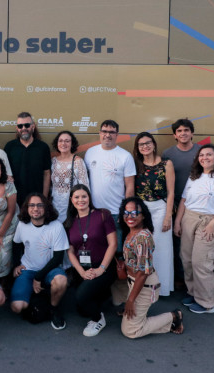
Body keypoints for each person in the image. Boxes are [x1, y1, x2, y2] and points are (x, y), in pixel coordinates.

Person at [174, 144, 214, 314]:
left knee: (202, 262)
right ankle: (194, 293)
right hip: (189, 218)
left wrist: (212, 224)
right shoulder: (195, 176)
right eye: (201, 155)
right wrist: (178, 221)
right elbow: (183, 200)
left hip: (210, 221)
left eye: (209, 154)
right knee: (186, 259)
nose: (205, 158)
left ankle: (207, 302)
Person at [84, 119, 135, 310]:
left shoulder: (125, 156)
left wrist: (126, 214)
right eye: (104, 131)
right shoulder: (91, 153)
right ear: (99, 133)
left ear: (117, 134)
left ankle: (121, 298)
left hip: (116, 214)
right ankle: (99, 293)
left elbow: (129, 187)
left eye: (112, 132)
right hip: (94, 215)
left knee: (119, 256)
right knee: (97, 255)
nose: (108, 135)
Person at [118, 197, 184, 338]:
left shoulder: (142, 238)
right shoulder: (131, 231)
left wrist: (130, 301)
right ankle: (138, 316)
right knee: (130, 321)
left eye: (135, 213)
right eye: (127, 213)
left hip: (143, 285)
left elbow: (143, 274)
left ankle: (173, 317)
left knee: (130, 332)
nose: (130, 217)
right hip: (133, 282)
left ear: (143, 215)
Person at [65, 185, 118, 337]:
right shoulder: (69, 222)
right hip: (83, 269)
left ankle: (98, 319)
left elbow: (113, 244)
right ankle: (103, 297)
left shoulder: (102, 214)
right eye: (76, 197)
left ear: (89, 198)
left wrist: (101, 269)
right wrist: (82, 272)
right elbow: (70, 251)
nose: (80, 200)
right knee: (81, 309)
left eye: (84, 196)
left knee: (81, 297)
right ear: (71, 200)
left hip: (104, 266)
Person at [11, 193, 69, 330]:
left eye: (39, 205)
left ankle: (53, 308)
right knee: (17, 308)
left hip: (50, 270)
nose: (35, 209)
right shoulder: (22, 225)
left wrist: (38, 277)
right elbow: (16, 244)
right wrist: (16, 265)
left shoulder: (56, 226)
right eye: (31, 205)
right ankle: (36, 299)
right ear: (27, 208)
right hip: (28, 269)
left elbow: (58, 258)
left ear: (46, 207)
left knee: (61, 281)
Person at [132, 132, 175, 296]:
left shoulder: (166, 164)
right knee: (143, 248)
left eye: (148, 143)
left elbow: (171, 192)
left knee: (161, 249)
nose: (145, 146)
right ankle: (144, 287)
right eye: (141, 144)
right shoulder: (136, 164)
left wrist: (168, 216)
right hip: (142, 210)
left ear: (154, 144)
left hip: (161, 209)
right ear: (138, 148)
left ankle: (162, 288)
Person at [163, 118, 201, 289]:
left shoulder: (203, 152)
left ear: (192, 133)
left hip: (198, 205)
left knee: (195, 244)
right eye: (179, 131)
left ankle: (195, 280)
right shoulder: (167, 154)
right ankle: (180, 278)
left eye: (186, 130)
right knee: (177, 242)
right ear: (174, 135)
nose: (183, 133)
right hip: (176, 203)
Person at [4, 112, 51, 205]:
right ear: (17, 128)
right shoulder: (9, 147)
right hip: (15, 199)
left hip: (37, 200)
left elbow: (47, 174)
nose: (24, 128)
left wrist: (44, 198)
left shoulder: (43, 147)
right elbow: (5, 173)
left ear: (33, 126)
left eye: (27, 125)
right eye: (20, 126)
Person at [50, 130, 88, 226]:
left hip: (71, 207)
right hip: (54, 206)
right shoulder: (53, 161)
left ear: (72, 144)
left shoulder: (78, 162)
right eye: (61, 140)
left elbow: (85, 187)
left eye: (67, 141)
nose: (63, 143)